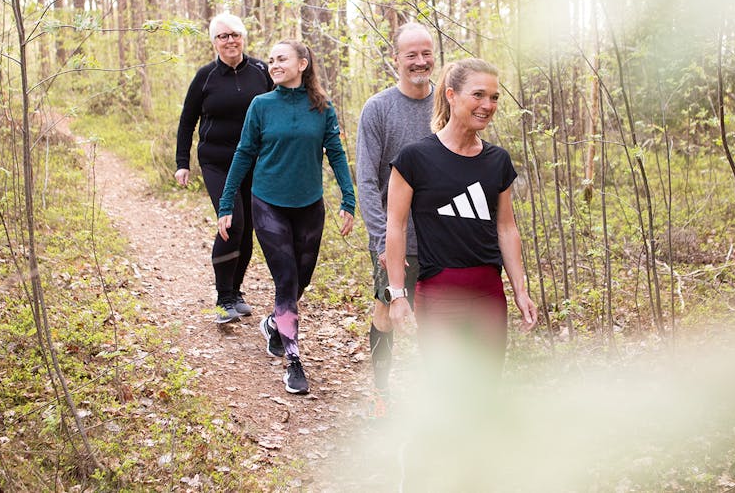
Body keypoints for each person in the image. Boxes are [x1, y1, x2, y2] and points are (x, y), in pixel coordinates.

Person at [217, 40, 356, 395]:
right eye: (272, 60)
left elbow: (336, 153)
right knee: (286, 279)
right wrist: (227, 203)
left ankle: (275, 323)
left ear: (303, 64)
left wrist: (348, 199)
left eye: (282, 59)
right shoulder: (261, 106)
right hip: (268, 202)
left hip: (310, 205)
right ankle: (294, 362)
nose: (274, 64)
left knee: (301, 280)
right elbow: (244, 153)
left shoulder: (323, 108)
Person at [384, 57, 537, 369]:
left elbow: (506, 229)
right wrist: (397, 295)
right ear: (451, 95)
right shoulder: (414, 158)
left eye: (494, 97)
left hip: (489, 294)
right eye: (478, 94)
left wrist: (520, 291)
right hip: (439, 293)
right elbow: (396, 227)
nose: (487, 105)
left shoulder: (498, 161)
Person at [355, 23, 436, 416]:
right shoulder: (379, 108)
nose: (420, 62)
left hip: (444, 237)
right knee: (387, 313)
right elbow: (367, 180)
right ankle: (381, 393)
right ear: (397, 60)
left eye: (426, 53)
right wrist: (381, 242)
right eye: (411, 55)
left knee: (438, 320)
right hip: (397, 238)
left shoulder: (449, 104)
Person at [175, 12, 273, 324]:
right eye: (222, 36)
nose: (229, 41)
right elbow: (187, 120)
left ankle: (236, 291)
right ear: (214, 42)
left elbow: (280, 106)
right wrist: (182, 163)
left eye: (234, 35)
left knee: (248, 231)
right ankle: (223, 298)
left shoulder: (261, 71)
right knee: (232, 223)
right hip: (217, 161)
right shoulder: (205, 77)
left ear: (243, 38)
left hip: (255, 162)